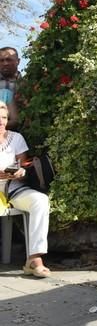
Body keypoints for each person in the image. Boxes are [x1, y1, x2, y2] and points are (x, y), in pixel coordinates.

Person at [0, 102, 51, 277]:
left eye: (4, 117)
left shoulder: (16, 138)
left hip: (13, 188)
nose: (1, 121)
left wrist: (21, 171)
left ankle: (34, 259)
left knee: (40, 201)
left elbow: (24, 164)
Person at [0, 47, 21, 130]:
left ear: (18, 61)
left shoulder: (27, 84)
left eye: (9, 60)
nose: (5, 63)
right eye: (1, 60)